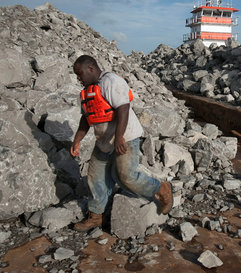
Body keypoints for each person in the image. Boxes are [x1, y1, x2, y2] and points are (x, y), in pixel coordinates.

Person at [70, 55, 172, 231]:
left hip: (126, 137)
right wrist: (77, 140)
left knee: (126, 177)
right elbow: (86, 119)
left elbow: (123, 109)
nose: (78, 78)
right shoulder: (86, 93)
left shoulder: (111, 82)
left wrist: (119, 137)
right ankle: (95, 216)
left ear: (91, 69)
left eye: (80, 74)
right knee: (96, 177)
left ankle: (161, 189)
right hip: (103, 140)